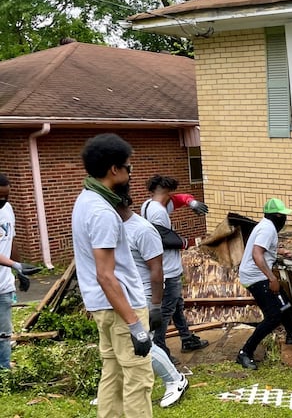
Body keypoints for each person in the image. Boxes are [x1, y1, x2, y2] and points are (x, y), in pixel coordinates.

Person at [71, 133, 154, 417]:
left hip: (102, 307)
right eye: (128, 168)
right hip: (121, 307)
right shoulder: (102, 212)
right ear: (114, 170)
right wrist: (135, 325)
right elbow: (106, 275)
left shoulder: (85, 199)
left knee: (113, 375)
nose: (131, 173)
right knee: (138, 379)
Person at [116, 195, 189, 408]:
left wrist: (156, 305)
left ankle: (175, 380)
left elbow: (157, 271)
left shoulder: (142, 229)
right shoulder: (115, 227)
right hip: (124, 295)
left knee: (143, 341)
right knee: (120, 344)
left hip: (143, 296)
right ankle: (114, 389)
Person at [236, 198, 292, 370]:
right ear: (276, 215)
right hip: (256, 277)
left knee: (284, 304)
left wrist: (278, 251)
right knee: (273, 317)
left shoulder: (265, 226)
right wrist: (272, 279)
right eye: (283, 215)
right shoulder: (267, 229)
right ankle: (245, 353)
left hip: (257, 274)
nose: (284, 218)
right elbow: (257, 255)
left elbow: (263, 248)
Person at [141, 175, 209, 363]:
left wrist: (191, 202)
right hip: (167, 270)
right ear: (166, 192)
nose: (173, 198)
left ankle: (187, 339)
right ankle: (161, 351)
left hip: (170, 268)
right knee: (166, 311)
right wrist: (187, 242)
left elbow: (180, 199)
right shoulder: (158, 213)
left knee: (177, 306)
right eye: (171, 193)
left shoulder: (149, 204)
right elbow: (162, 239)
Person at [0, 173, 42, 370]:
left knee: (4, 331)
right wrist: (15, 266)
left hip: (3, 283)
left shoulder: (7, 209)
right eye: (0, 197)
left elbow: (11, 240)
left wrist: (19, 271)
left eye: (6, 197)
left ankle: (4, 368)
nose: (3, 201)